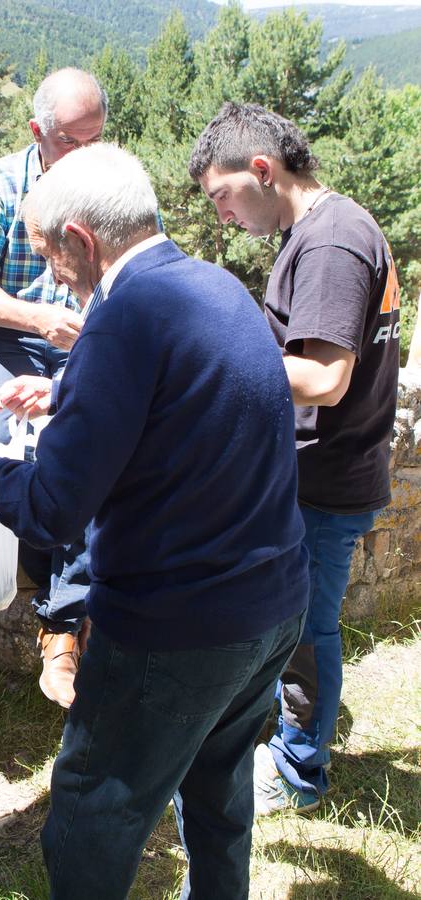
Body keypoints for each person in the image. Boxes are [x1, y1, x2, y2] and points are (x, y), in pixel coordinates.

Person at [0, 143, 309, 899]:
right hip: (272, 604)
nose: (53, 276)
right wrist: (66, 390)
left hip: (176, 626)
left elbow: (49, 508)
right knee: (219, 795)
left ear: (82, 240)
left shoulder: (120, 317)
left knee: (96, 809)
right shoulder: (215, 287)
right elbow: (187, 405)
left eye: (49, 256)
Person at [191, 102, 402, 816]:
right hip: (311, 475)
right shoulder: (321, 233)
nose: (221, 216)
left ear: (262, 169)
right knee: (295, 627)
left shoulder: (331, 242)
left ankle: (299, 771)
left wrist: (214, 345)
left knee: (306, 631)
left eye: (221, 195)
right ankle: (288, 746)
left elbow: (321, 378)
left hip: (324, 481)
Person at [0, 66, 106, 708]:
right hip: (11, 342)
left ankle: (61, 622)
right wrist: (41, 317)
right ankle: (63, 621)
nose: (87, 155)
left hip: (85, 347)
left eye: (97, 139)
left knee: (89, 450)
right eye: (73, 141)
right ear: (37, 131)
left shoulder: (104, 185)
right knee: (30, 452)